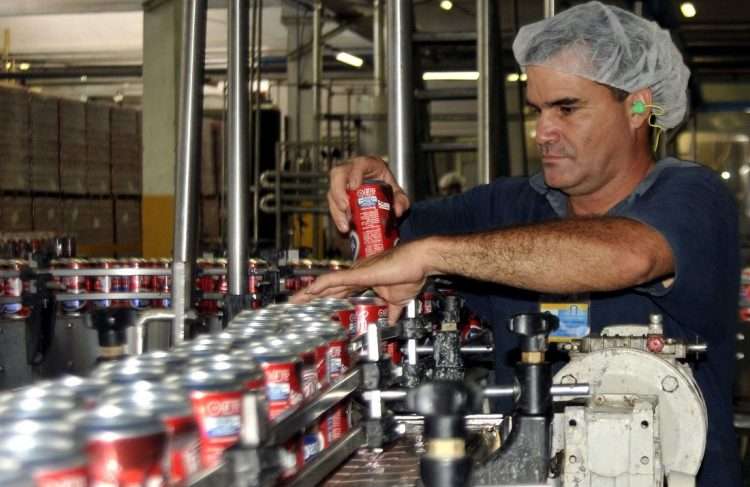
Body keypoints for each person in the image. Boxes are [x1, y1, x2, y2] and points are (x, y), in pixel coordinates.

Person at [294, 2, 741, 485]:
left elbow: (629, 255)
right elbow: (382, 258)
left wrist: (432, 255)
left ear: (638, 106)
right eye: (538, 110)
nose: (543, 131)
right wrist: (368, 201)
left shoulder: (692, 195)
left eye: (567, 108)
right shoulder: (509, 206)